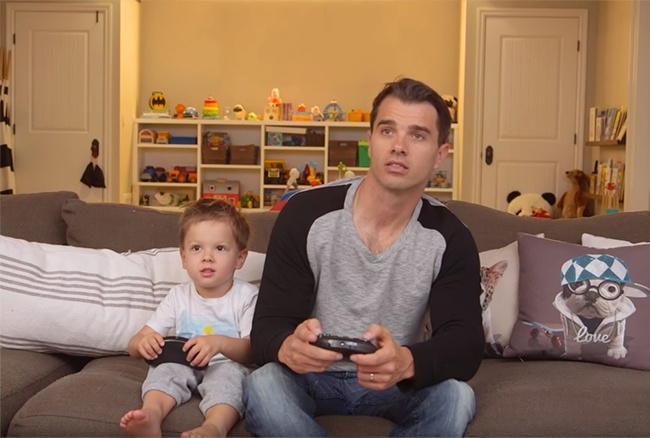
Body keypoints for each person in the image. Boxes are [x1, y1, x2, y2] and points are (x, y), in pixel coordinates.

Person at [244, 77, 484, 437]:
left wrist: (406, 361)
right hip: (309, 377)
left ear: (440, 154)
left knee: (457, 397)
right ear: (370, 141)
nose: (399, 146)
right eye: (388, 131)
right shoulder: (305, 214)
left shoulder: (450, 238)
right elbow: (267, 326)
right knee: (262, 384)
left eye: (417, 135)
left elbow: (465, 343)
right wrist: (287, 347)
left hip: (393, 382)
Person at [120, 198, 258, 438]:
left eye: (219, 248)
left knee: (230, 378)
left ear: (240, 258)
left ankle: (214, 427)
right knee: (164, 369)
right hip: (184, 363)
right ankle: (151, 415)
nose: (207, 257)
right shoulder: (178, 296)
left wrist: (219, 343)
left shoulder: (247, 296)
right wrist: (143, 343)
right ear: (183, 258)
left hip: (224, 365)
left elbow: (252, 351)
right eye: (196, 248)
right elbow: (134, 344)